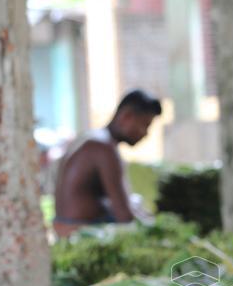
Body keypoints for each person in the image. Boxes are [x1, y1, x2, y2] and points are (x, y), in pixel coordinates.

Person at [52, 90, 161, 237]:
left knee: (137, 203)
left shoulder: (94, 138)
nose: (145, 134)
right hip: (78, 233)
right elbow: (124, 216)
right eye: (145, 125)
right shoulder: (104, 148)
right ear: (126, 117)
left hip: (69, 225)